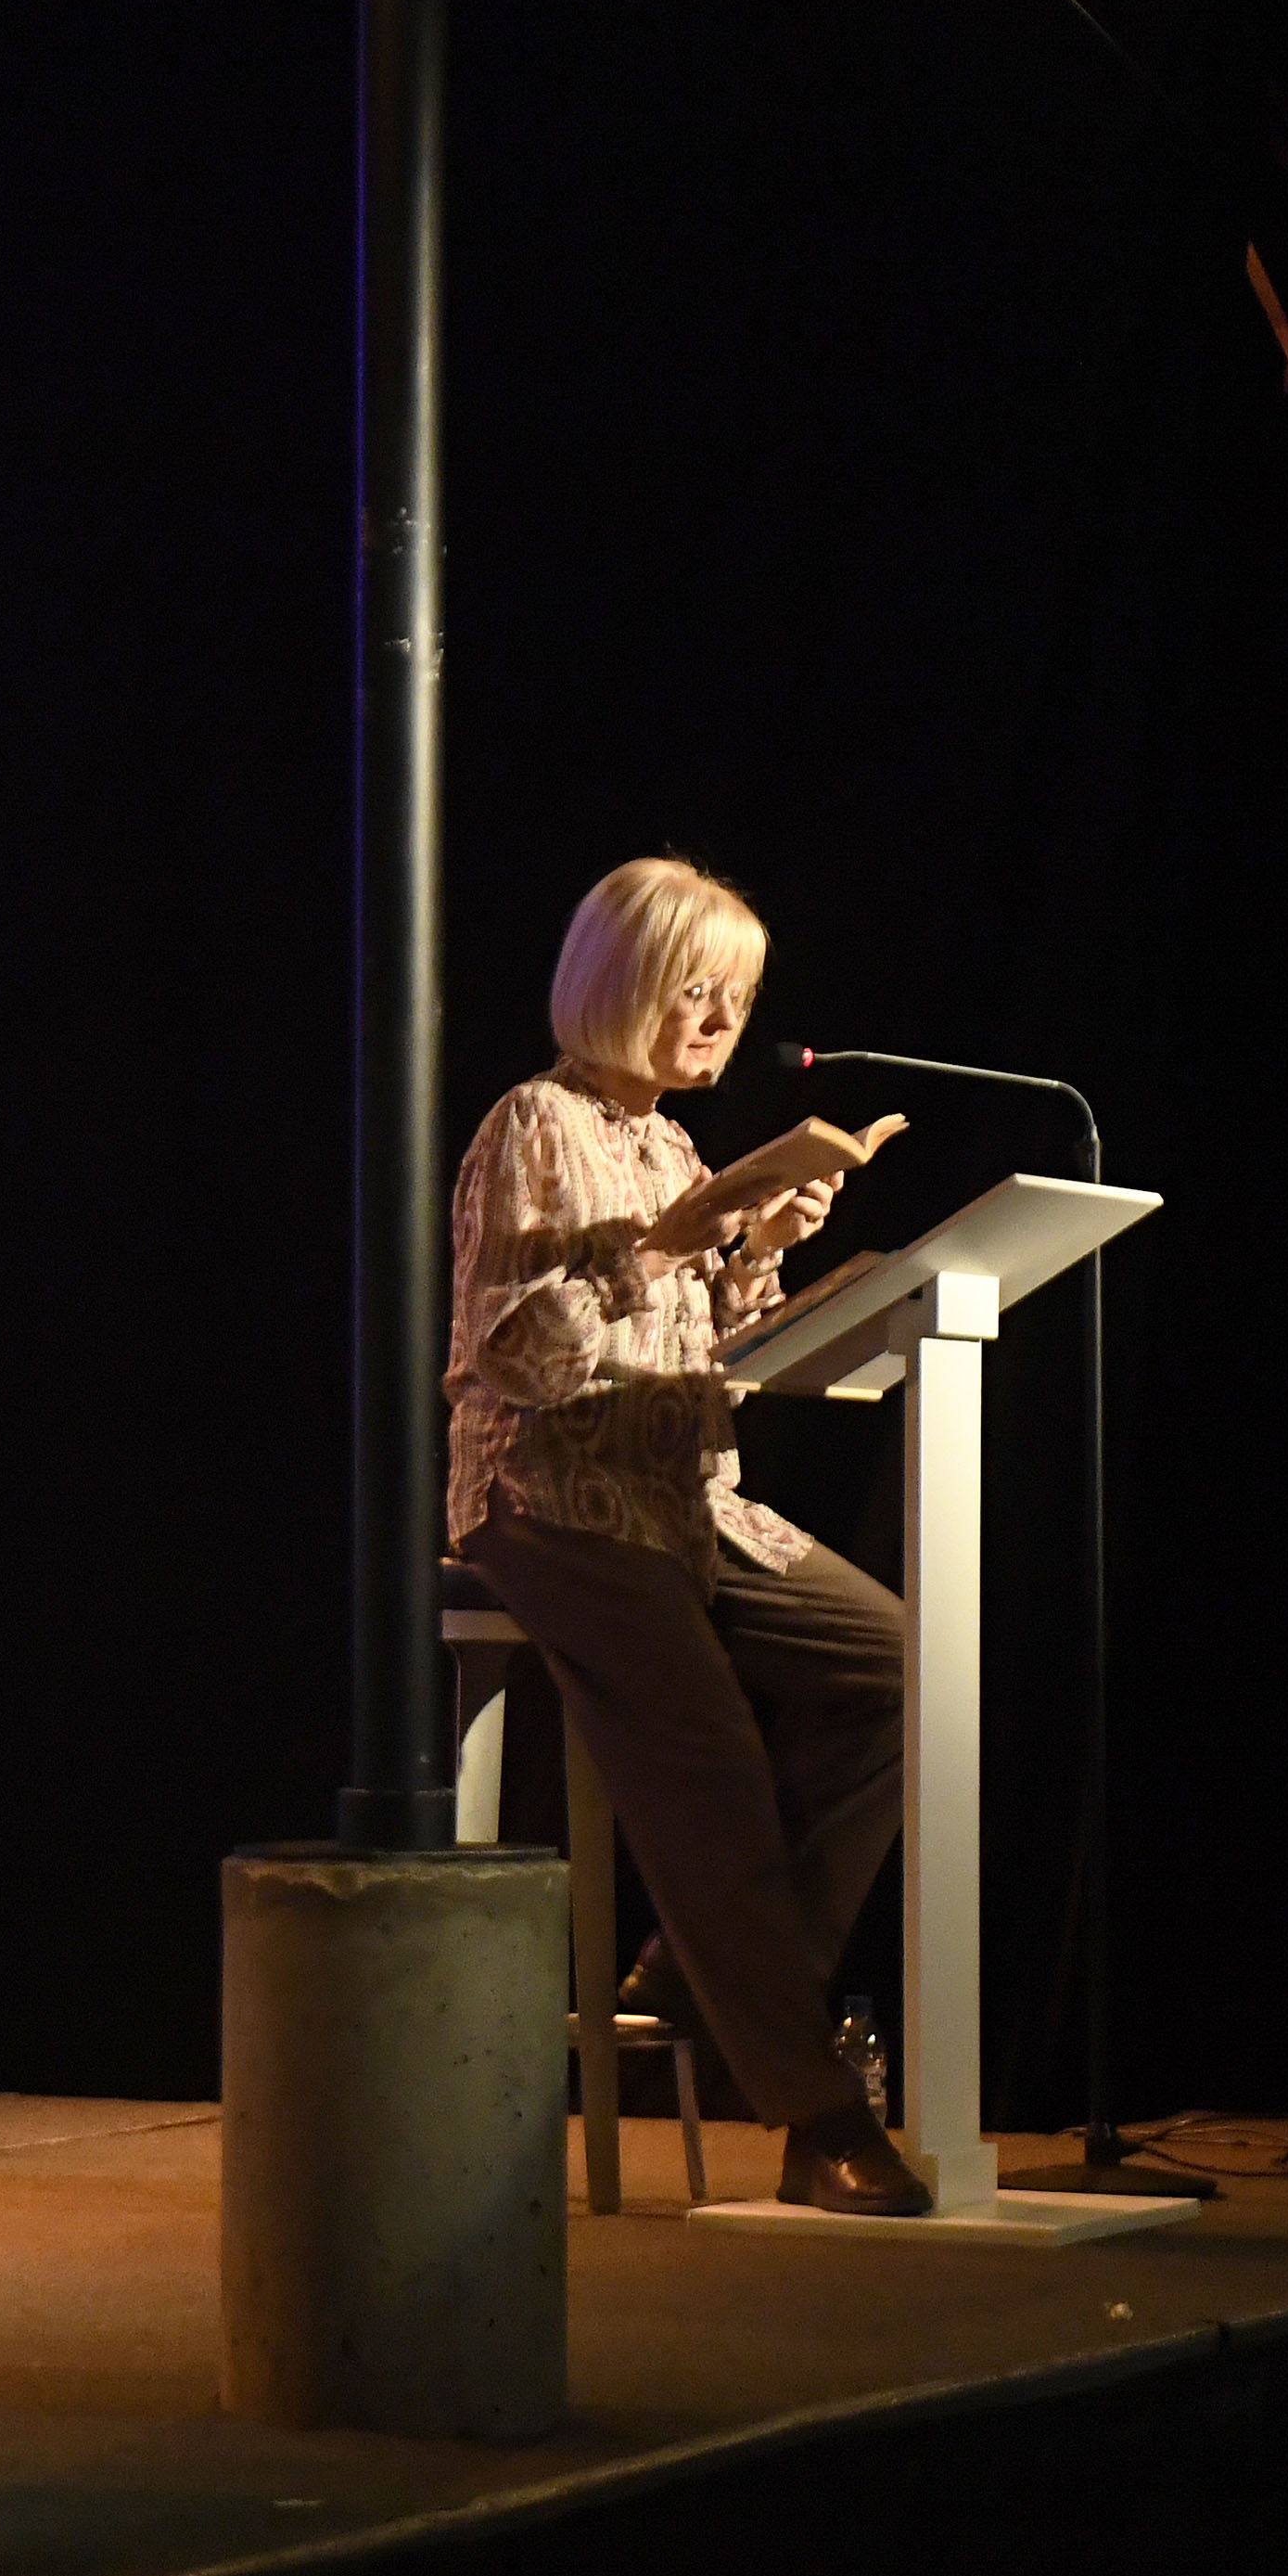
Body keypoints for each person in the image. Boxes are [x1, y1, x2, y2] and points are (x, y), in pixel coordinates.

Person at [447, 855, 927, 2215]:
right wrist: (670, 1245)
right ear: (620, 987)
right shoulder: (534, 1124)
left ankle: (699, 1969)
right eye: (693, 989)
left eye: (739, 996)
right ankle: (816, 2113)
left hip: (687, 1498)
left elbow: (703, 1350)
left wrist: (768, 1242)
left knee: (909, 1670)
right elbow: (518, 1364)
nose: (719, 1017)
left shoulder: (669, 1145)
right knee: (708, 1751)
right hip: (554, 1498)